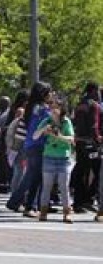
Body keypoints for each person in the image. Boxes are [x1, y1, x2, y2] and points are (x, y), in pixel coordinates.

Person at [7, 81, 52, 218]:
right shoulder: (41, 109)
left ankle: (27, 205)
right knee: (33, 177)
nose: (51, 95)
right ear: (43, 94)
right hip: (37, 145)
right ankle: (20, 203)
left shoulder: (31, 107)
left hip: (30, 144)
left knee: (33, 177)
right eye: (49, 92)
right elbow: (49, 122)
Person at [33, 99, 75, 223]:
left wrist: (59, 136)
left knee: (64, 186)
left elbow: (71, 140)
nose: (53, 110)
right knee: (46, 186)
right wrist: (43, 130)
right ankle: (43, 212)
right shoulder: (46, 121)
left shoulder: (66, 122)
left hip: (64, 158)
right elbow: (35, 136)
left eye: (56, 107)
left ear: (62, 109)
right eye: (52, 107)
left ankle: (66, 213)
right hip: (49, 157)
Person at [71, 82, 101, 214]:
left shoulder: (79, 105)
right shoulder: (93, 105)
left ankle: (78, 202)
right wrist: (97, 138)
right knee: (98, 170)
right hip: (91, 143)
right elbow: (94, 125)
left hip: (80, 142)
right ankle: (88, 199)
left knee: (81, 170)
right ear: (94, 91)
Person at [0, 96, 11, 194]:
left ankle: (6, 185)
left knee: (5, 164)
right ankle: (1, 184)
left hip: (5, 141)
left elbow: (10, 127)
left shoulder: (9, 114)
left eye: (2, 102)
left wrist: (1, 129)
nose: (0, 103)